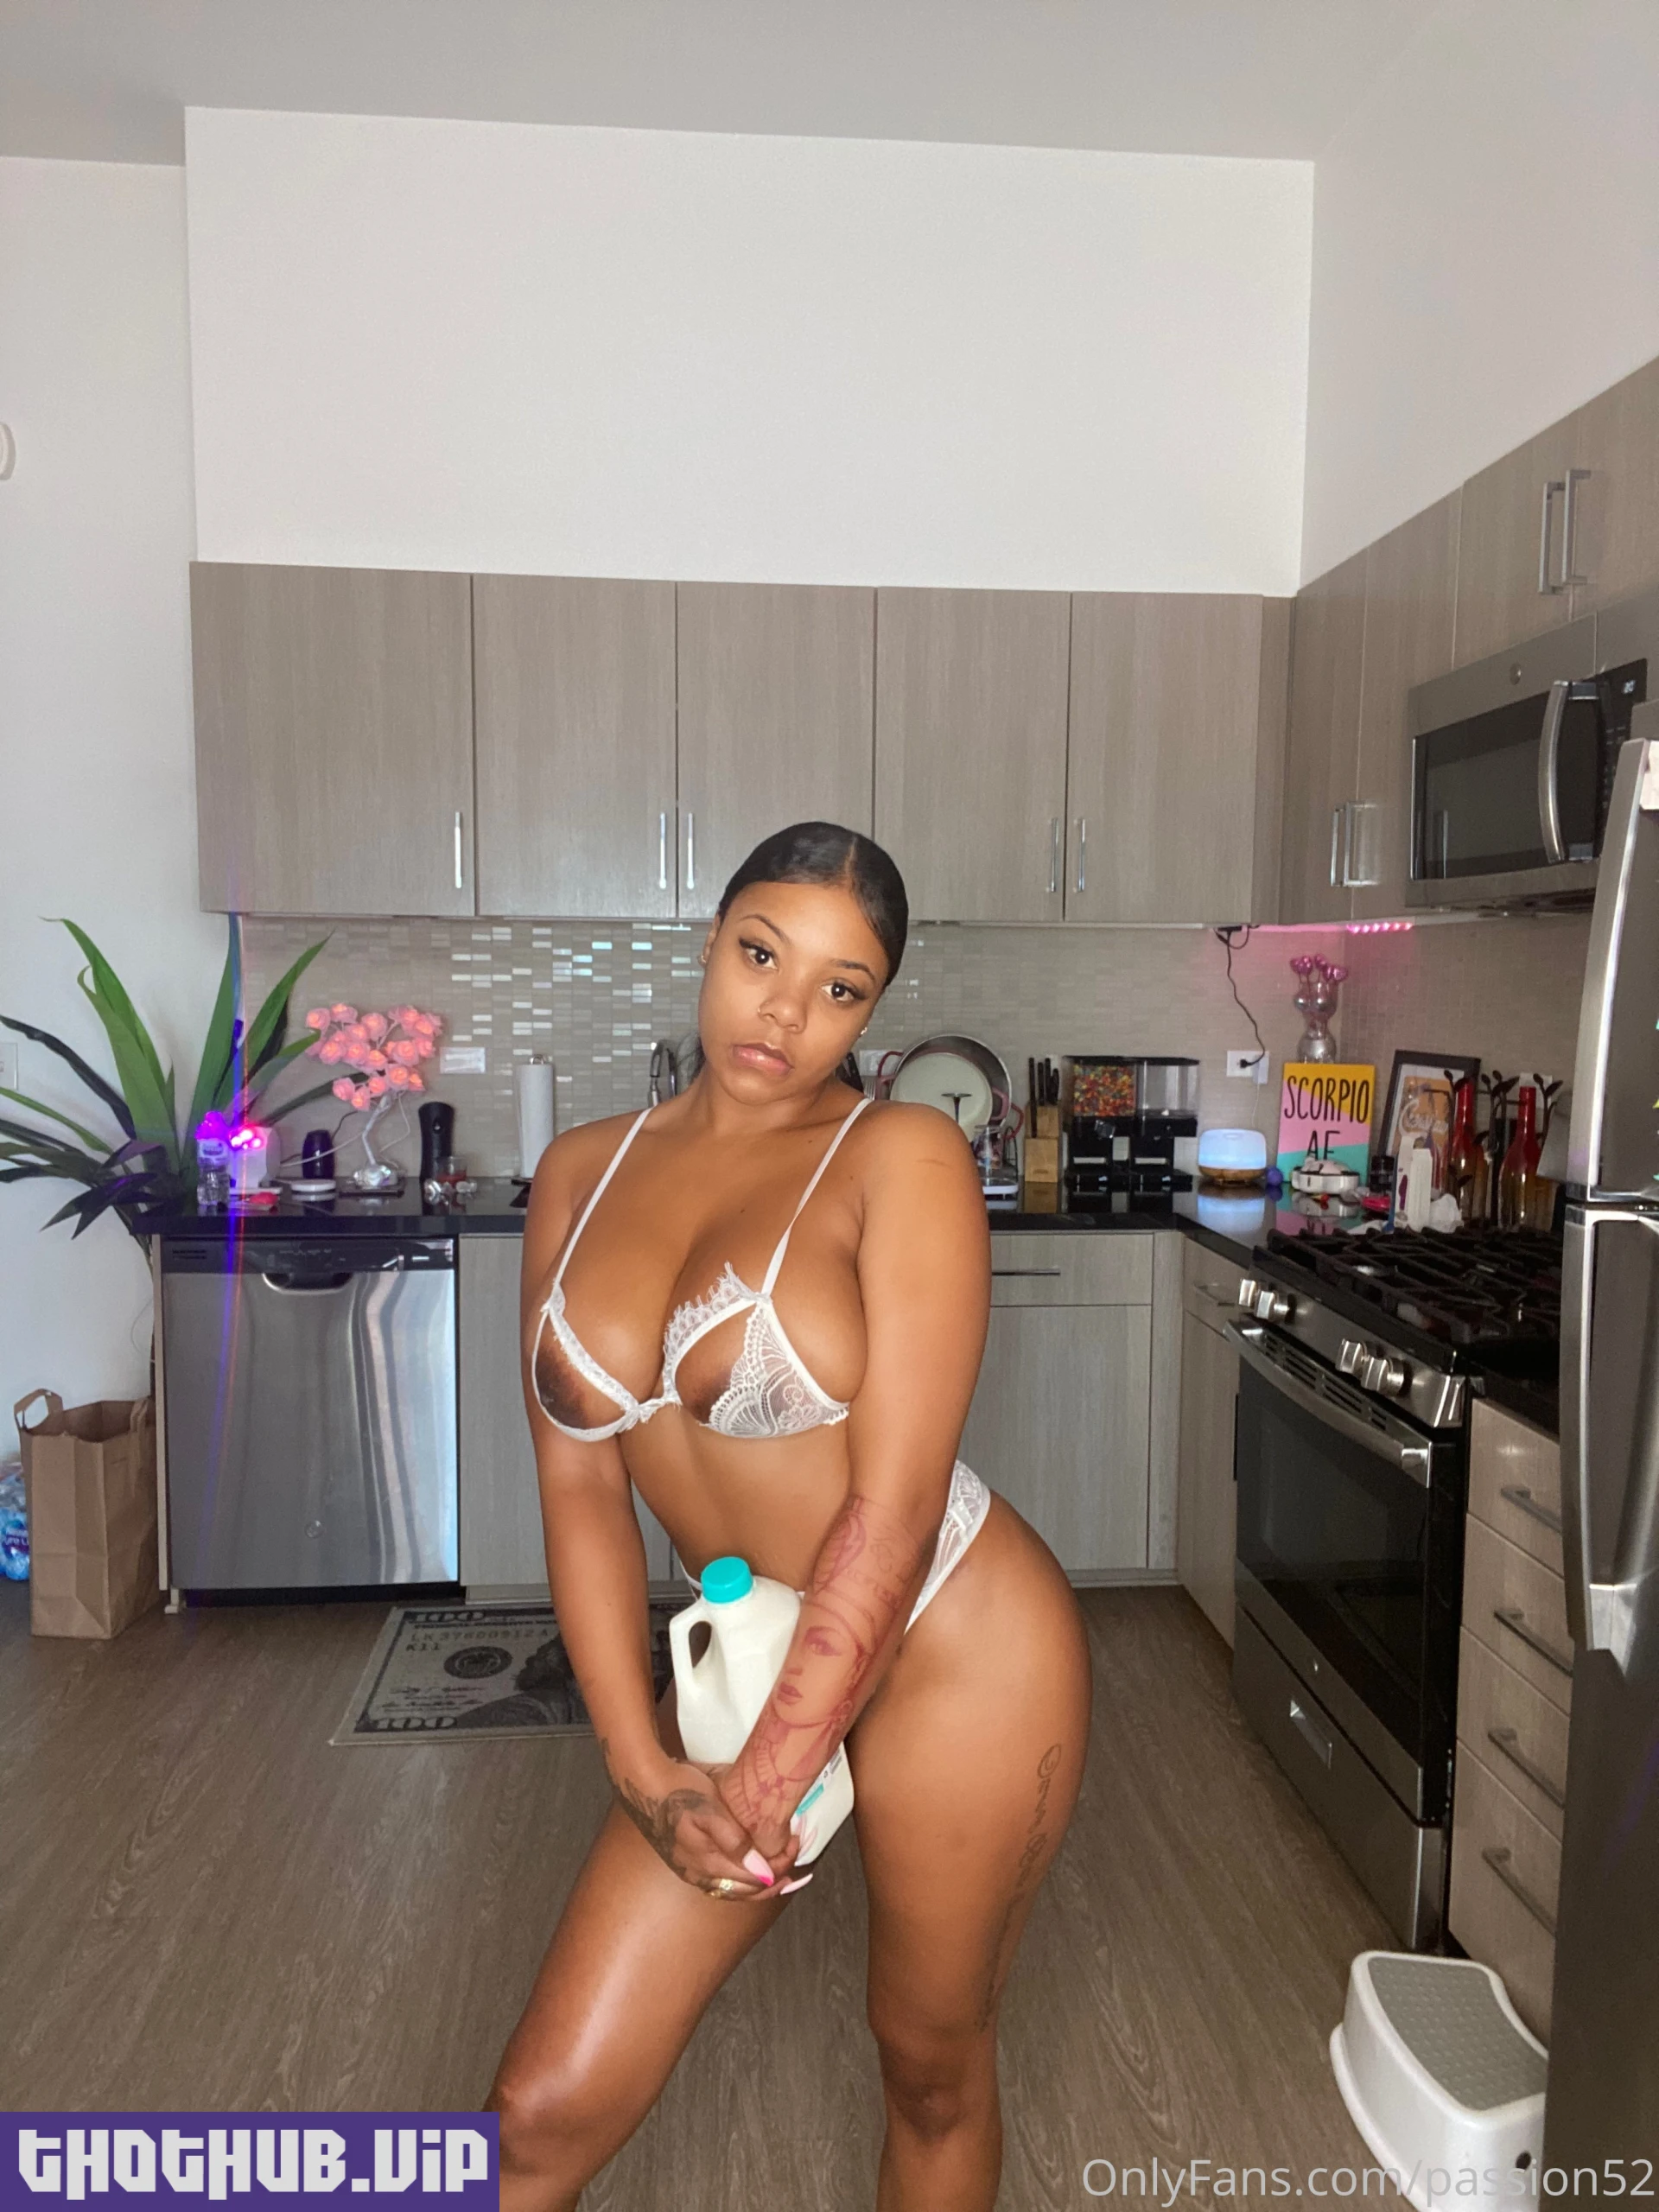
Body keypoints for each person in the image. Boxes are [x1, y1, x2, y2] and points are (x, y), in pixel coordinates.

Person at [486, 821, 1091, 2210]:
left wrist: (764, 1786)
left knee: (928, 2065)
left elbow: (896, 1508)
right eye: (762, 955)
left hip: (953, 1645)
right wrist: (643, 1769)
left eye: (840, 987)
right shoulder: (579, 1173)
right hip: (749, 1645)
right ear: (711, 941)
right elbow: (579, 1486)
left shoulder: (901, 1157)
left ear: (873, 1012)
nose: (784, 1012)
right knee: (536, 2115)